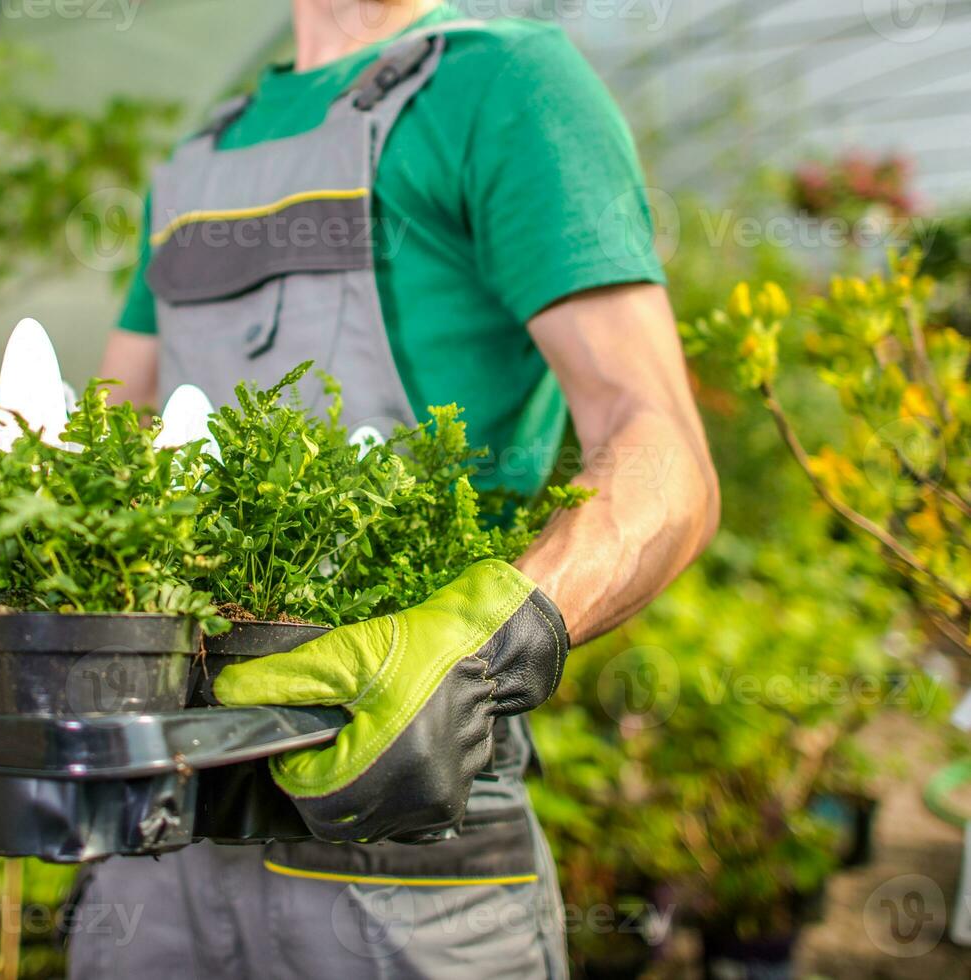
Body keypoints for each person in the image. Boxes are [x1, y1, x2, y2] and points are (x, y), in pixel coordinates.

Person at [69, 0, 720, 975]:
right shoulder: (202, 154)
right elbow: (106, 439)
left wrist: (478, 649)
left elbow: (663, 452)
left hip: (406, 842)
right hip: (157, 829)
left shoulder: (507, 84)